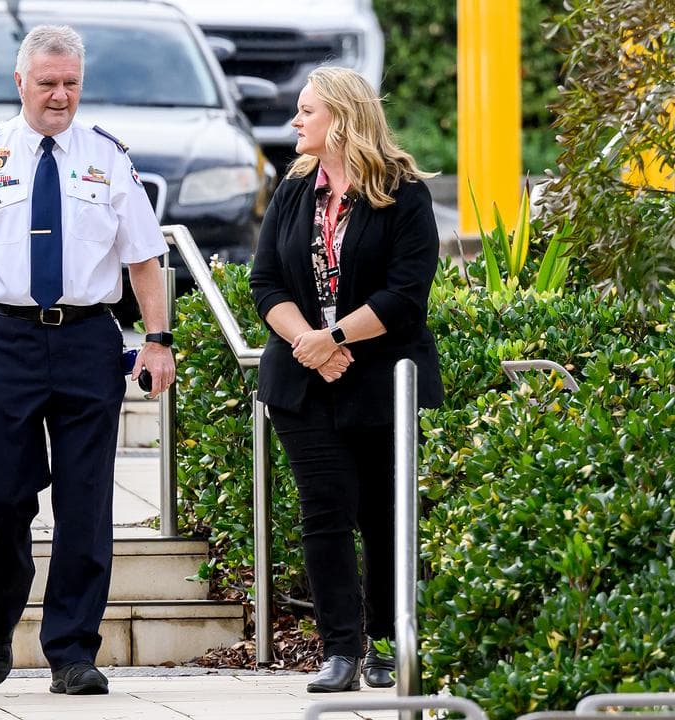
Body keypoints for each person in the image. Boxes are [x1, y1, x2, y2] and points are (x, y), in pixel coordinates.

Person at [0, 25, 176, 696]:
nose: (60, 96)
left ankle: (72, 651)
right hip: (8, 339)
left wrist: (158, 338)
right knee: (2, 497)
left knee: (85, 505)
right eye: (48, 82)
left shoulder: (108, 157)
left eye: (71, 84)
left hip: (89, 341)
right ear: (20, 82)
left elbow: (144, 258)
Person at [248, 66, 443, 692]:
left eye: (307, 111)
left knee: (385, 516)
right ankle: (341, 651)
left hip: (382, 378)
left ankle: (390, 641)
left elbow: (406, 295)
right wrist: (308, 342)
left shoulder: (403, 191)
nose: (295, 121)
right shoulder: (295, 187)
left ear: (343, 117)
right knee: (324, 511)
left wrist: (333, 338)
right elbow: (265, 282)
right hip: (303, 381)